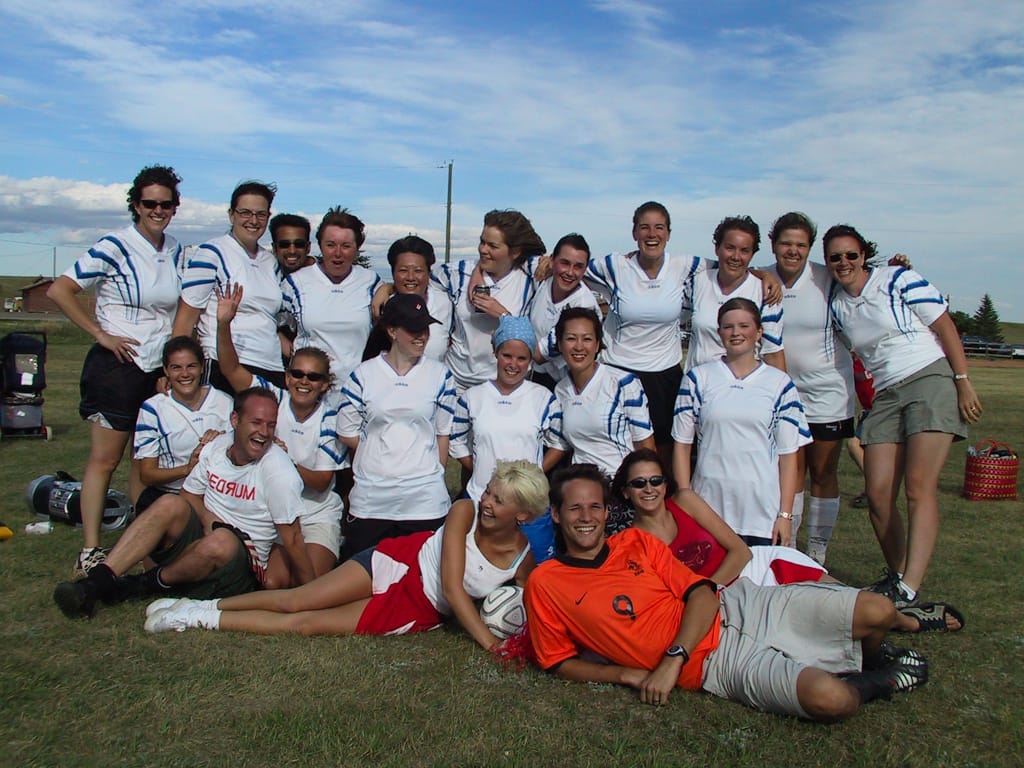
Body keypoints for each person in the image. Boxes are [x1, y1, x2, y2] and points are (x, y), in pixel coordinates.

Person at [524, 464, 929, 720]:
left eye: (594, 507)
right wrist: (626, 674)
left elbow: (701, 594)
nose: (586, 517)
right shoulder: (547, 583)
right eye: (574, 508)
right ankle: (883, 680)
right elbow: (558, 662)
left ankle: (871, 655)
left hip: (738, 606)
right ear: (556, 514)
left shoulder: (636, 542)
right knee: (832, 700)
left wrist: (672, 659)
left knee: (877, 609)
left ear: (606, 511)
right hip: (714, 663)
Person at [143, 461, 548, 651]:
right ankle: (198, 607)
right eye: (489, 491)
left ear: (524, 516)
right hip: (399, 562)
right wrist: (489, 644)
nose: (487, 502)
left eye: (499, 500)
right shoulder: (465, 511)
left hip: (417, 607)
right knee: (297, 600)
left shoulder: (523, 559)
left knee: (305, 625)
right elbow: (452, 588)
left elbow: (529, 601)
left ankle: (198, 618)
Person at [611, 449, 965, 634]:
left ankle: (908, 621)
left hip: (760, 568)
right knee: (824, 620)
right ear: (625, 492)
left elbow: (739, 550)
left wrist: (710, 588)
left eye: (655, 481)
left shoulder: (685, 501)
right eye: (638, 484)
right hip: (728, 601)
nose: (649, 489)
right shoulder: (632, 541)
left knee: (851, 601)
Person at [53, 388, 314, 619]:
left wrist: (311, 594)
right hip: (206, 535)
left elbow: (292, 538)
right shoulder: (216, 447)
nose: (264, 433)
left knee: (221, 542)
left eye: (271, 425)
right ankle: (97, 582)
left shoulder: (279, 472)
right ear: (235, 420)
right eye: (256, 422)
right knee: (169, 503)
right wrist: (211, 521)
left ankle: (141, 584)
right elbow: (188, 496)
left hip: (241, 562)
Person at [825, 224, 982, 608]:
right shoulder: (836, 304)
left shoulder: (896, 279)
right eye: (835, 257)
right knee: (878, 495)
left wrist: (962, 381)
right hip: (885, 393)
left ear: (864, 255)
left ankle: (909, 586)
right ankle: (899, 578)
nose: (844, 262)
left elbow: (944, 325)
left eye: (851, 255)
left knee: (918, 486)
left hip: (928, 378)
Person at [46, 164, 184, 576]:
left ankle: (139, 545)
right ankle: (90, 548)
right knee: (105, 460)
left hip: (155, 370)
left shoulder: (177, 250)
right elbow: (60, 290)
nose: (158, 210)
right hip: (118, 366)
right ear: (136, 205)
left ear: (175, 207)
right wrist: (100, 334)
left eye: (166, 204)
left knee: (144, 461)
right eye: (149, 203)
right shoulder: (114, 245)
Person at [216, 285, 345, 584]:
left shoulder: (330, 417)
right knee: (273, 583)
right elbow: (231, 369)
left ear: (325, 384)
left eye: (313, 377)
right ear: (287, 377)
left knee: (310, 584)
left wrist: (283, 458)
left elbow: (321, 482)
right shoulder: (272, 398)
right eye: (297, 374)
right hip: (274, 512)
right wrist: (223, 325)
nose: (304, 381)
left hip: (315, 513)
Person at [672, 299, 811, 546]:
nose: (736, 332)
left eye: (744, 326)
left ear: (759, 332)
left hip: (761, 514)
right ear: (719, 333)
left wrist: (785, 515)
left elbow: (789, 456)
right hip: (708, 509)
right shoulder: (697, 378)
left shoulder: (780, 384)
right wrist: (686, 499)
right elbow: (682, 445)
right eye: (728, 327)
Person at [762, 212, 854, 563]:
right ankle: (790, 549)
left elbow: (863, 281)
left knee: (824, 472)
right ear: (773, 245)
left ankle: (817, 551)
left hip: (827, 393)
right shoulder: (760, 277)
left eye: (801, 245)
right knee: (791, 472)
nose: (793, 251)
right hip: (782, 394)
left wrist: (897, 266)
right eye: (786, 243)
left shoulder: (826, 278)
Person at [336, 294, 457, 560]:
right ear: (391, 331)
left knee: (422, 576)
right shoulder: (362, 375)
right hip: (372, 500)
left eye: (425, 328)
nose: (422, 336)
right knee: (365, 575)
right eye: (413, 329)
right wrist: (381, 455)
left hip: (424, 501)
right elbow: (348, 434)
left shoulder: (441, 375)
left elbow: (442, 433)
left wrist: (433, 473)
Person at [174, 181, 285, 392]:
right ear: (231, 215)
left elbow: (268, 319)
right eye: (245, 213)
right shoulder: (212, 253)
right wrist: (174, 372)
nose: (253, 220)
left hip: (270, 366)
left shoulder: (270, 262)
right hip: (223, 365)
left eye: (261, 214)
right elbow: (185, 320)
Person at [434, 209, 546, 393]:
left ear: (515, 252)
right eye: (482, 242)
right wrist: (387, 288)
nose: (483, 250)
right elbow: (421, 282)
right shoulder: (457, 273)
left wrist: (503, 316)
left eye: (493, 246)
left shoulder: (531, 278)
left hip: (505, 386)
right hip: (457, 382)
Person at [449, 316, 559, 501]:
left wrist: (537, 471)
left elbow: (558, 443)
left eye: (522, 358)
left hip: (527, 500)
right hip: (480, 498)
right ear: (495, 352)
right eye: (507, 356)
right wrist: (477, 467)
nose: (513, 364)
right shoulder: (472, 397)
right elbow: (456, 440)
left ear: (530, 359)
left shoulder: (544, 399)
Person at [544, 307, 655, 478]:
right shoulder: (561, 390)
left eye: (587, 339)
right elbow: (559, 443)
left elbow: (646, 446)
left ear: (597, 345)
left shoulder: (624, 383)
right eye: (571, 338)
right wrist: (531, 474)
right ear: (559, 344)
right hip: (580, 483)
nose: (579, 346)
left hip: (619, 482)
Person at [281, 207, 381, 390]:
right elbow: (274, 324)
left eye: (346, 246)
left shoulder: (371, 282)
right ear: (320, 245)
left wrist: (388, 288)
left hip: (356, 389)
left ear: (357, 248)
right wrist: (293, 356)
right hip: (309, 389)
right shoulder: (295, 283)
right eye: (330, 245)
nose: (338, 253)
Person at [133, 336, 233, 514]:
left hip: (216, 496)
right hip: (171, 495)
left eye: (191, 366)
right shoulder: (153, 409)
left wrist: (222, 441)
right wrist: (187, 469)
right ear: (166, 371)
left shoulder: (225, 402)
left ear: (202, 367)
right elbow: (147, 475)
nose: (185, 374)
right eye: (176, 367)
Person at [682, 215, 785, 373]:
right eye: (730, 248)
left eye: (744, 251)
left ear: (752, 254)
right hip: (697, 383)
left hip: (743, 385)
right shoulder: (697, 282)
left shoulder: (765, 293)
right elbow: (670, 320)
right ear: (717, 248)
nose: (736, 257)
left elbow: (772, 353)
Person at [528, 233, 601, 390]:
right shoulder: (543, 278)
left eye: (578, 266)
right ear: (552, 260)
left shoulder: (584, 307)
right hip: (537, 375)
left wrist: (505, 317)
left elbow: (539, 355)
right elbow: (508, 257)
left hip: (571, 385)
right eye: (565, 263)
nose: (570, 272)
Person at [373, 235, 452, 361]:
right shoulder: (381, 306)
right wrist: (386, 288)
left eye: (418, 270)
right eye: (403, 270)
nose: (410, 277)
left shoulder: (446, 303)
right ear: (393, 273)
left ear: (429, 273)